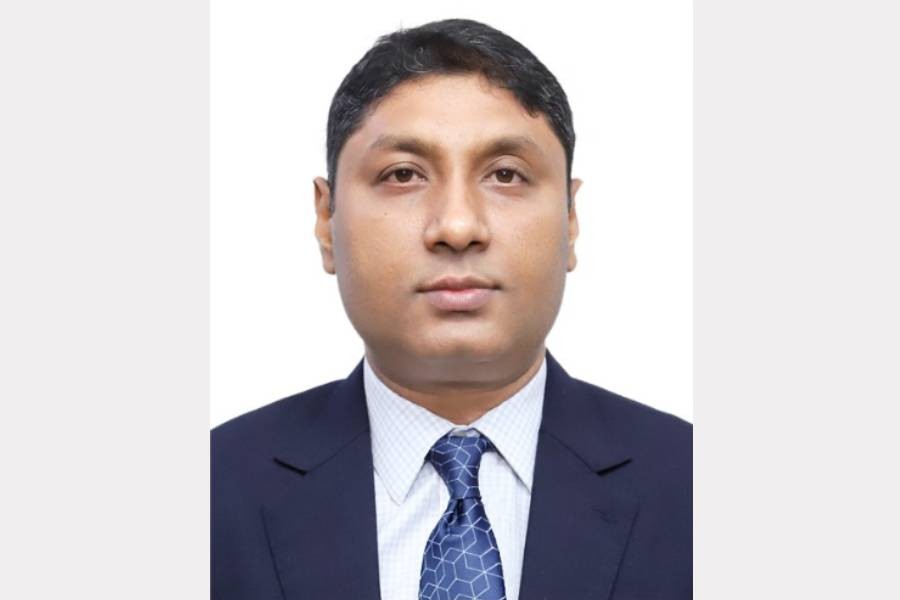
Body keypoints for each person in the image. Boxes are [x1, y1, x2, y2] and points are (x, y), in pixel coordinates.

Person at [211, 18, 691, 600]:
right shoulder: (212, 491)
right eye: (403, 174)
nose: (458, 227)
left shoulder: (694, 485)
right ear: (325, 221)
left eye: (506, 174)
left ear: (570, 220)